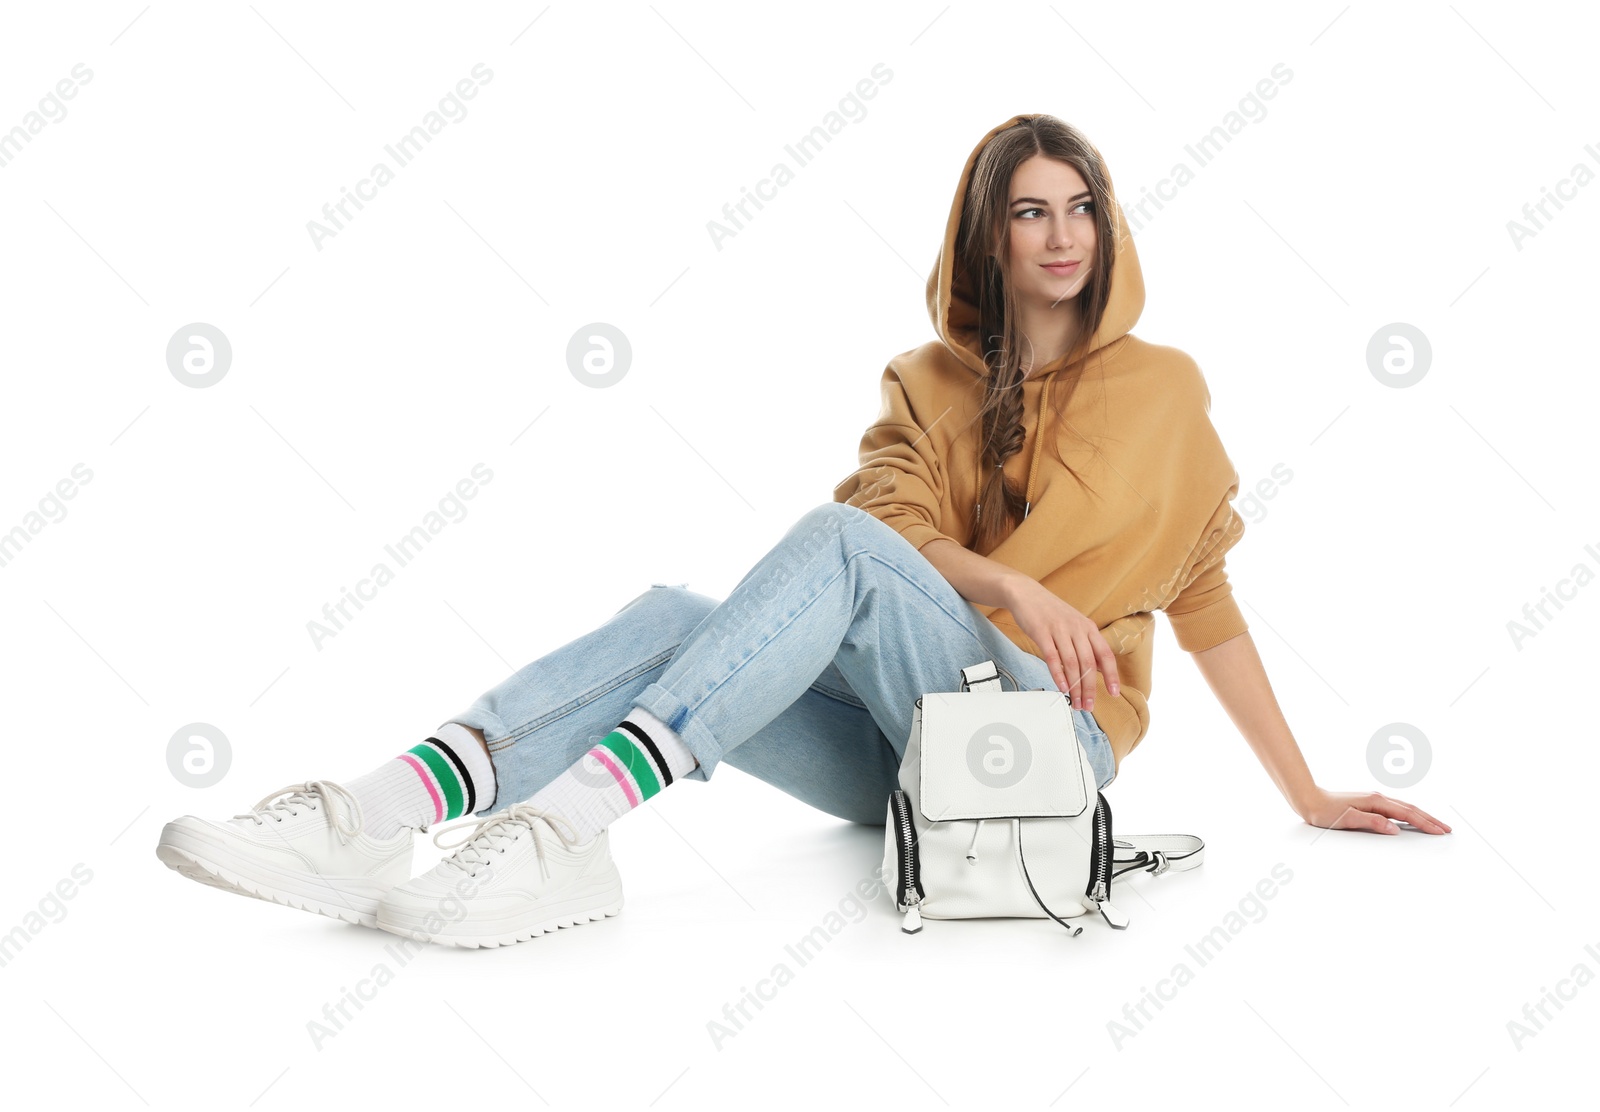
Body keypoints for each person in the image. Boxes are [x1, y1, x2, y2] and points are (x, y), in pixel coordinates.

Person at [155, 112, 1449, 948]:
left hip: (1038, 755)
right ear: (988, 236)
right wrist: (1009, 580)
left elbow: (1206, 600)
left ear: (1107, 227)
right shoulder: (928, 385)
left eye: (1082, 206)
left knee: (829, 553)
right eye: (1031, 210)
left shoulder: (1161, 388)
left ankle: (568, 825)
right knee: (677, 619)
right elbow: (888, 533)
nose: (1063, 234)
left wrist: (1308, 790)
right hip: (905, 760)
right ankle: (387, 809)